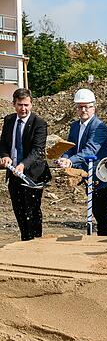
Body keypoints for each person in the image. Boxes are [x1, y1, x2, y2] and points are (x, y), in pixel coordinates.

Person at [58, 88, 107, 236]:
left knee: (103, 213)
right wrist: (65, 157)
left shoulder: (99, 127)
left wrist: (71, 161)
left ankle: (105, 242)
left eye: (87, 106)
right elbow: (70, 146)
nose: (83, 110)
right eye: (80, 107)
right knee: (95, 211)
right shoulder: (75, 126)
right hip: (88, 174)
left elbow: (90, 150)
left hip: (102, 174)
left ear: (94, 107)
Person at [0, 88, 52, 241]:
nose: (23, 108)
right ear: (14, 104)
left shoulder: (39, 123)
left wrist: (23, 164)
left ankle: (35, 242)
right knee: (19, 211)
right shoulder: (9, 121)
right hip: (13, 173)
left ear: (31, 104)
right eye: (20, 105)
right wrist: (4, 156)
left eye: (26, 105)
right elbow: (2, 144)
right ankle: (25, 240)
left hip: (33, 175)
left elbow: (37, 150)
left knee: (32, 211)